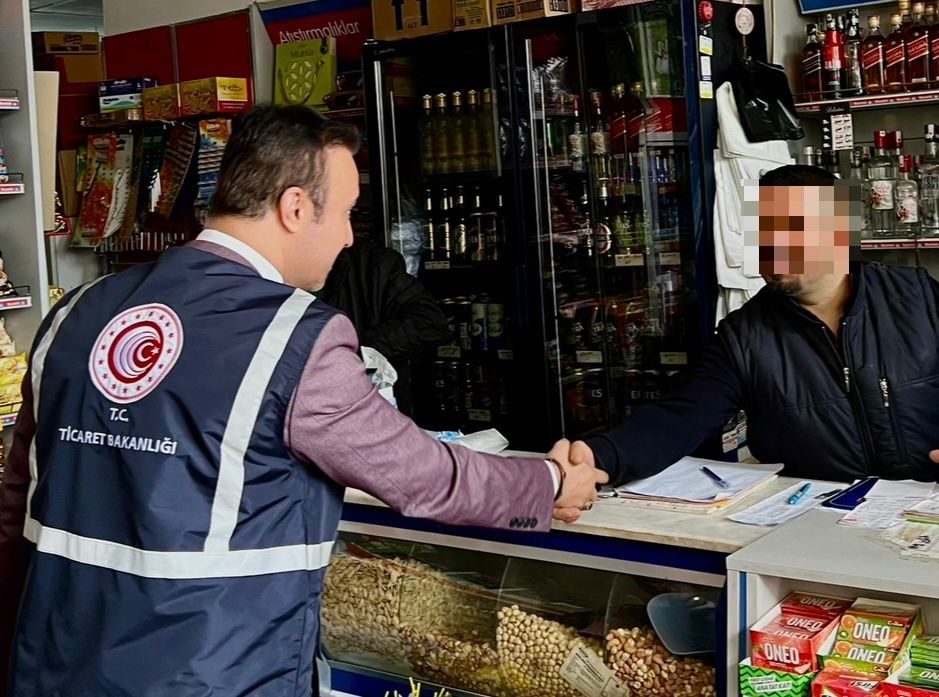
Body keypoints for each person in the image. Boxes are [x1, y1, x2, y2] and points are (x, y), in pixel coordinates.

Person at [0, 105, 607, 697]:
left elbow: (16, 499)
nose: (348, 236)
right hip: (213, 669)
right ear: (295, 207)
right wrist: (549, 483)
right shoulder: (294, 336)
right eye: (345, 213)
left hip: (51, 662)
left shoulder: (75, 312)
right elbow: (420, 477)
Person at [552, 165, 939, 521]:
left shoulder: (918, 297)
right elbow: (680, 417)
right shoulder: (744, 334)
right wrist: (597, 456)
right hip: (819, 519)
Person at [319, 238, 449, 416]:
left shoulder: (373, 263)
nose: (348, 236)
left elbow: (428, 321)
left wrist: (352, 355)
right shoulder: (272, 280)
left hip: (375, 415)